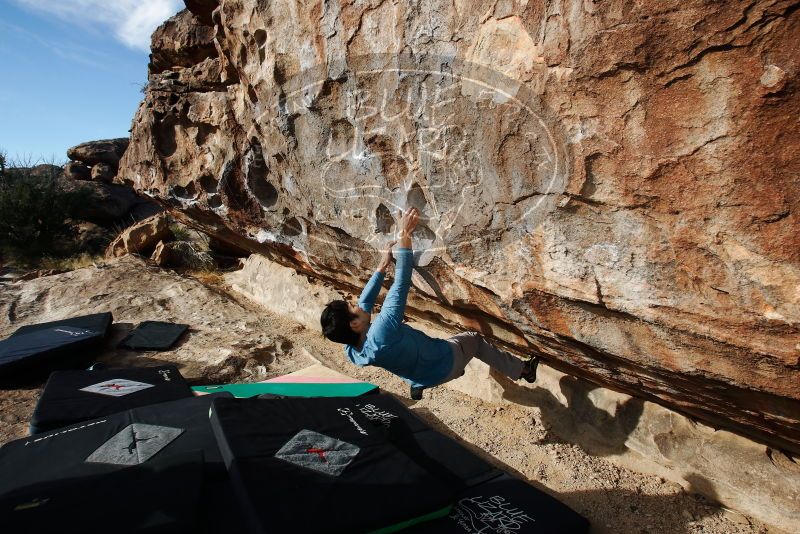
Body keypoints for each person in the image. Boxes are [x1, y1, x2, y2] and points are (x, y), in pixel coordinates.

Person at [320, 207, 538, 399]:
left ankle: (418, 384)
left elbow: (365, 306)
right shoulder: (381, 331)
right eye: (352, 308)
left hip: (419, 374)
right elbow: (400, 284)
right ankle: (523, 370)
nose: (356, 304)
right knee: (474, 340)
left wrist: (380, 268)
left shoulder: (352, 352)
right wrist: (405, 234)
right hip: (444, 366)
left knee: (410, 356)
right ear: (354, 324)